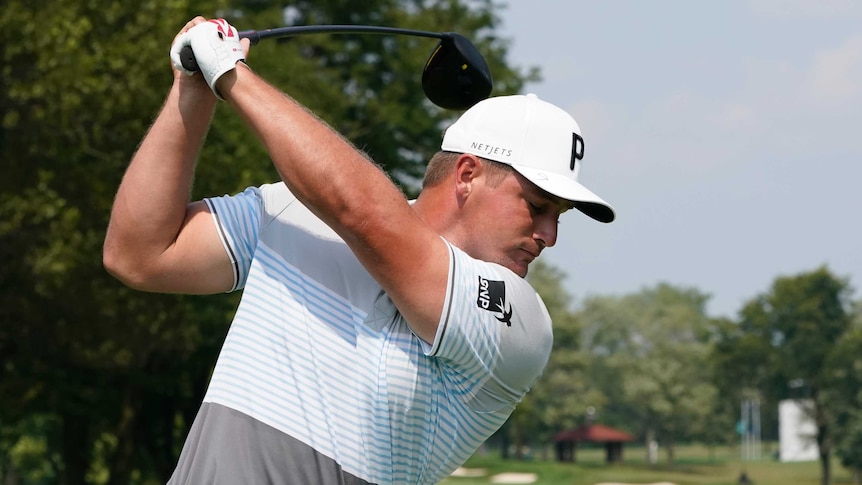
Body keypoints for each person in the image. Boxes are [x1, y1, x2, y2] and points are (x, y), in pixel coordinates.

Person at [103, 16, 615, 485]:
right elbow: (141, 254)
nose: (549, 235)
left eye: (558, 217)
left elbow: (363, 214)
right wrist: (192, 90)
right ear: (467, 176)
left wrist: (230, 74)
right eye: (537, 206)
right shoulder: (292, 211)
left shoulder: (519, 323)